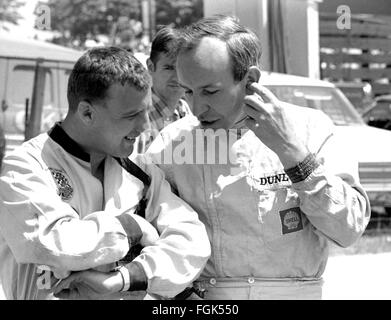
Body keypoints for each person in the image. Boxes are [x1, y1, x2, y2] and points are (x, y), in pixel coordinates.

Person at [143, 15, 371, 299]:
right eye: (187, 91)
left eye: (210, 91)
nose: (197, 106)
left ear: (250, 79)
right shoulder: (174, 142)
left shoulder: (310, 128)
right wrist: (179, 296)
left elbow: (348, 230)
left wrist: (292, 152)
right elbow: (146, 231)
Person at [0, 47, 210, 300]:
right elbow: (52, 244)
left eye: (145, 112)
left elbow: (191, 241)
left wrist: (127, 277)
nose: (144, 127)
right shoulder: (26, 166)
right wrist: (132, 228)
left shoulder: (140, 170)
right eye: (131, 115)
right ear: (87, 113)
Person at [146, 25, 192, 133]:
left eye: (183, 68)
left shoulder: (187, 110)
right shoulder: (139, 117)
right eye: (169, 68)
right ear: (150, 67)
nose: (177, 76)